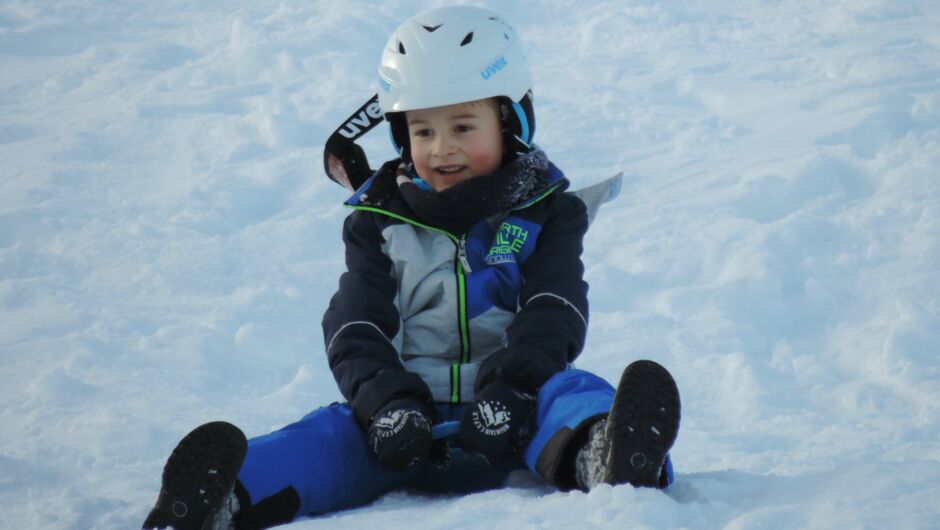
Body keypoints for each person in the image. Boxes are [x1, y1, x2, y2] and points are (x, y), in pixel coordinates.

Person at [142, 6, 680, 530]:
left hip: (519, 408)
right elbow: (357, 322)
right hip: (401, 420)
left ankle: (605, 454)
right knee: (323, 440)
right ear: (401, 136)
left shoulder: (546, 213)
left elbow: (554, 308)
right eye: (422, 131)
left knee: (577, 396)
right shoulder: (378, 223)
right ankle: (224, 498)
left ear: (512, 121)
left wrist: (514, 390)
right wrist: (386, 404)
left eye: (463, 126)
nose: (442, 148)